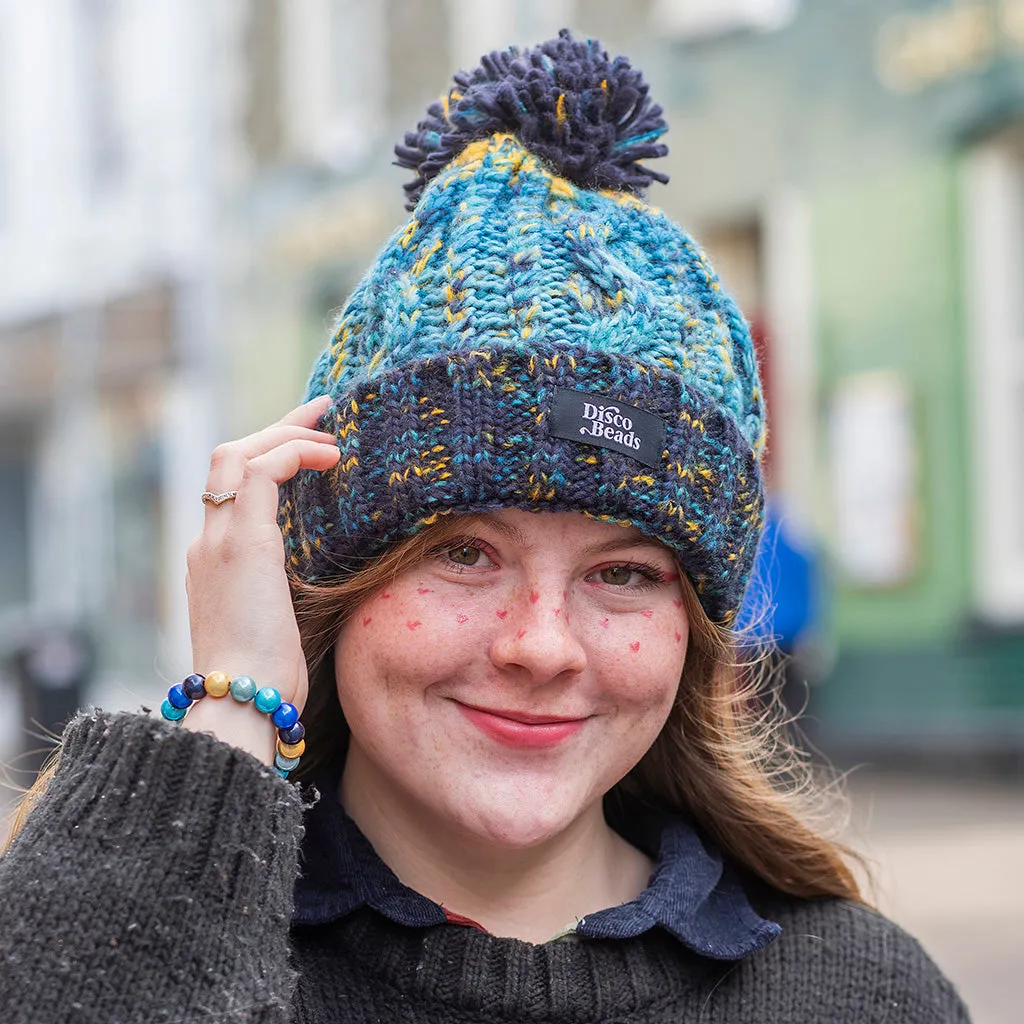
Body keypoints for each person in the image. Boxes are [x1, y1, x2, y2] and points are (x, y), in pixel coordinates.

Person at [0, 31, 969, 1024]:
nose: (540, 646)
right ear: (328, 582)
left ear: (694, 627)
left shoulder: (859, 994)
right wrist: (231, 701)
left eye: (624, 573)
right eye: (462, 553)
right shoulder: (163, 938)